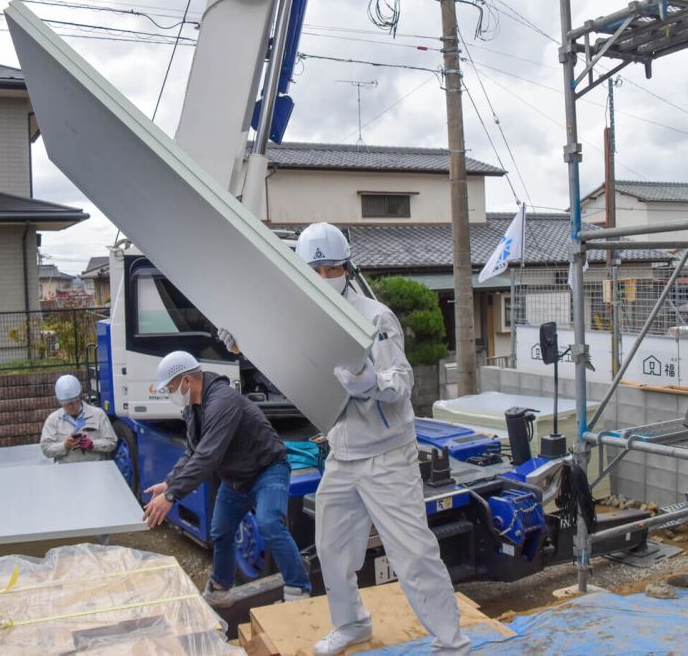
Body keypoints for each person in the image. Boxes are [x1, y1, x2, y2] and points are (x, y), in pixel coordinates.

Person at [280, 223, 470, 655]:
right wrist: (245, 343)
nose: (325, 277)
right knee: (331, 549)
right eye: (316, 270)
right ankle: (352, 625)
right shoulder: (307, 321)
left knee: (413, 554)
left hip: (387, 456)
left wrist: (370, 383)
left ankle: (451, 642)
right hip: (342, 456)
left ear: (346, 267)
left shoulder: (375, 316)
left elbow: (401, 383)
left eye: (332, 268)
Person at [142, 350, 312, 607]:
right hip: (236, 478)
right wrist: (169, 482)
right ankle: (220, 589)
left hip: (267, 469)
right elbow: (192, 451)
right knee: (220, 531)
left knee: (269, 522)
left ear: (188, 381)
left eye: (172, 387)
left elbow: (207, 456)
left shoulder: (222, 401)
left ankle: (298, 590)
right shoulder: (193, 409)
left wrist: (171, 495)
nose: (170, 394)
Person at [40, 374, 117, 463]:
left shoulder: (98, 414)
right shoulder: (53, 420)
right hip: (65, 472)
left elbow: (112, 442)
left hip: (95, 470)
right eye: (66, 404)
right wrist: (65, 446)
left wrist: (93, 444)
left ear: (79, 397)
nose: (70, 407)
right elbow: (46, 448)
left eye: (73, 402)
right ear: (60, 401)